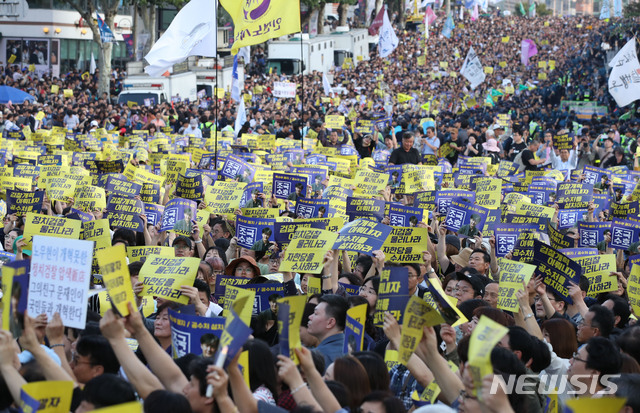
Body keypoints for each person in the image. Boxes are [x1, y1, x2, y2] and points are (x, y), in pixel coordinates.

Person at [306, 294, 349, 370]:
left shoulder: (321, 356)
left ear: (330, 322)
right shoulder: (350, 348)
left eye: (316, 313)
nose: (310, 317)